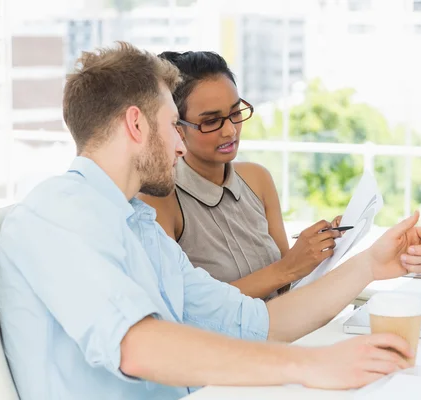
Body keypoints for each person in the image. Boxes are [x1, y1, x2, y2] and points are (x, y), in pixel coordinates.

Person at [0, 42, 421, 400]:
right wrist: (310, 366)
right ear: (135, 124)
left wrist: (371, 266)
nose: (181, 146)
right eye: (173, 126)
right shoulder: (58, 215)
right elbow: (137, 347)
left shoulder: (138, 226)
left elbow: (261, 324)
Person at [138, 50, 342, 299]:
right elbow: (185, 306)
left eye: (235, 113)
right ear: (177, 127)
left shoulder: (257, 179)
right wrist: (286, 269)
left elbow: (287, 286)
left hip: (282, 330)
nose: (230, 131)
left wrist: (318, 251)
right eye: (212, 121)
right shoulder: (159, 201)